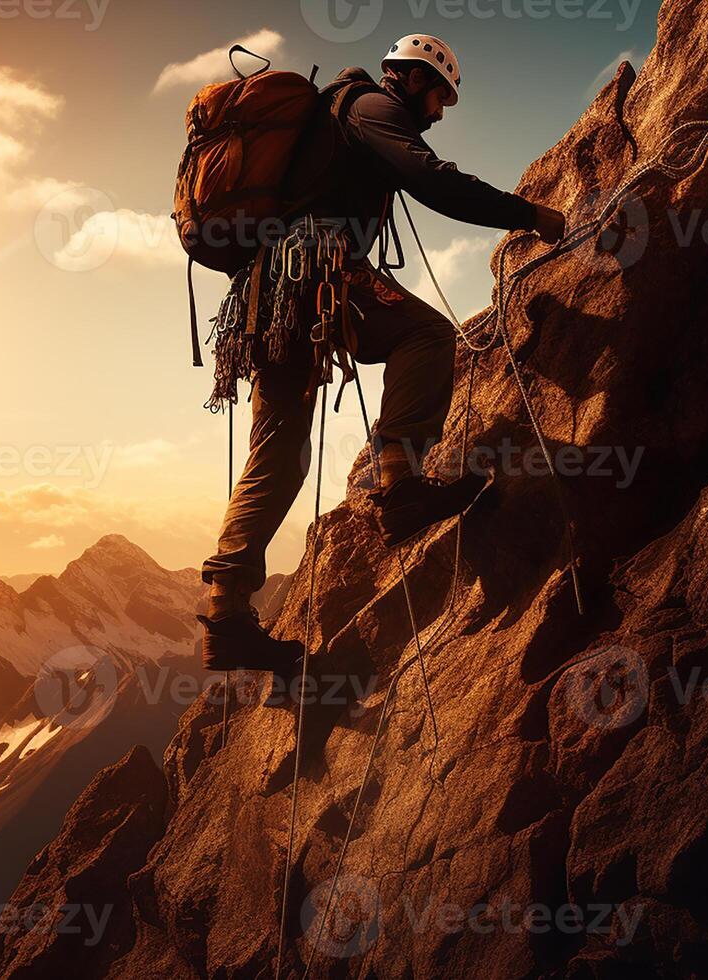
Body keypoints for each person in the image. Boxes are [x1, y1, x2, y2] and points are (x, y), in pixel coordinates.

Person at [198, 34, 567, 674]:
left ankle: (226, 613)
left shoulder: (337, 114)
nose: (440, 113)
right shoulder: (371, 105)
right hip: (315, 269)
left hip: (265, 294)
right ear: (413, 79)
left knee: (280, 445)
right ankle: (400, 483)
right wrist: (526, 213)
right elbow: (431, 178)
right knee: (425, 335)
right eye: (439, 96)